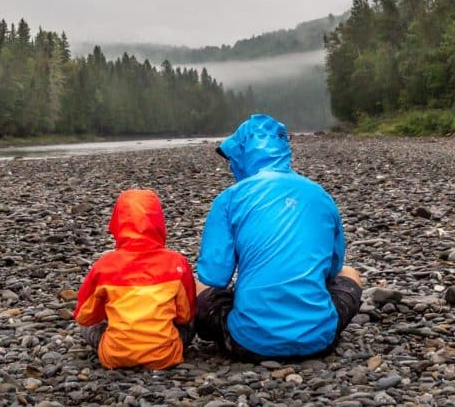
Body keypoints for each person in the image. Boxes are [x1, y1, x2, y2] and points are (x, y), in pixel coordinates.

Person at [195, 113, 362, 361]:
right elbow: (334, 267)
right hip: (318, 340)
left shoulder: (229, 199)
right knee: (350, 273)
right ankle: (309, 319)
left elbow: (214, 277)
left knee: (198, 285)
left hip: (248, 343)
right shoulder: (321, 195)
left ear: (241, 155)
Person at [73, 189, 196, 370]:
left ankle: (123, 345)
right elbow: (185, 316)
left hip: (115, 355)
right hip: (165, 355)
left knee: (88, 327)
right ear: (159, 222)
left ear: (117, 222)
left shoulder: (104, 265)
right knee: (192, 321)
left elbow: (84, 317)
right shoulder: (176, 262)